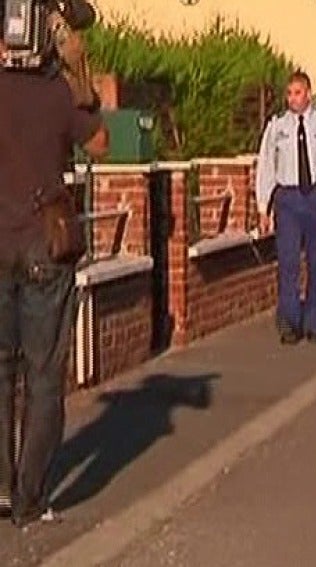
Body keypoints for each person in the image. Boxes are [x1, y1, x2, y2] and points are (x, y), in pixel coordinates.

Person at [0, 40, 109, 526]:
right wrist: (84, 89)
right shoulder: (57, 93)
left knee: (1, 371)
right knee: (44, 377)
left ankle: (2, 488)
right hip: (46, 245)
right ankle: (30, 498)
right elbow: (101, 143)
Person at [255, 71, 316, 345]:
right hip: (288, 200)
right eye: (289, 93)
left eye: (298, 92)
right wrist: (264, 207)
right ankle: (289, 321)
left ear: (308, 94)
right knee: (287, 263)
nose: (293, 98)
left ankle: (315, 321)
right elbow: (266, 167)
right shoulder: (276, 128)